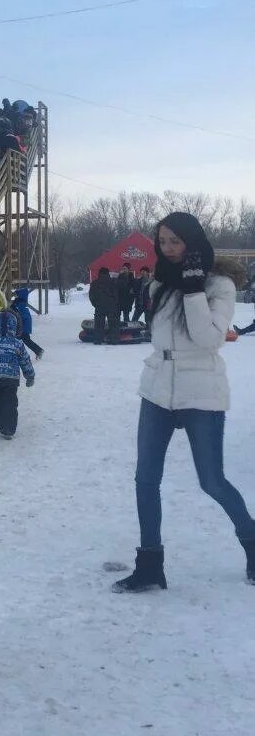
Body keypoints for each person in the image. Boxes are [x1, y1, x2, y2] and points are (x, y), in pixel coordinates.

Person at [113, 212, 255, 592]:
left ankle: (253, 541)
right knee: (145, 479)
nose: (169, 249)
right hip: (158, 389)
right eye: (163, 242)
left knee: (212, 481)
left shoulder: (219, 284)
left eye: (176, 241)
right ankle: (150, 565)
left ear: (191, 240)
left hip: (201, 392)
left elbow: (209, 339)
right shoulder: (159, 282)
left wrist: (193, 291)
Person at [0, 310, 35, 439]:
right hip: (10, 380)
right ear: (15, 327)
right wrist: (30, 375)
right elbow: (25, 361)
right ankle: (8, 429)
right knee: (9, 403)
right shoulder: (18, 344)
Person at [88, 267, 120, 344]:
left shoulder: (94, 283)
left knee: (99, 324)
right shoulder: (113, 282)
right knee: (113, 324)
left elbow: (91, 296)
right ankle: (114, 339)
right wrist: (115, 302)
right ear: (108, 273)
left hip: (99, 306)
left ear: (99, 273)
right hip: (112, 306)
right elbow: (117, 294)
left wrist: (95, 304)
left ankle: (98, 339)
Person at [10, 286, 43, 358]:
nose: (15, 296)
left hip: (23, 327)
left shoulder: (19, 304)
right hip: (24, 326)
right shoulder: (21, 303)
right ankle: (38, 350)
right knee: (23, 340)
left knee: (22, 340)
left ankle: (38, 350)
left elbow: (18, 315)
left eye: (16, 294)